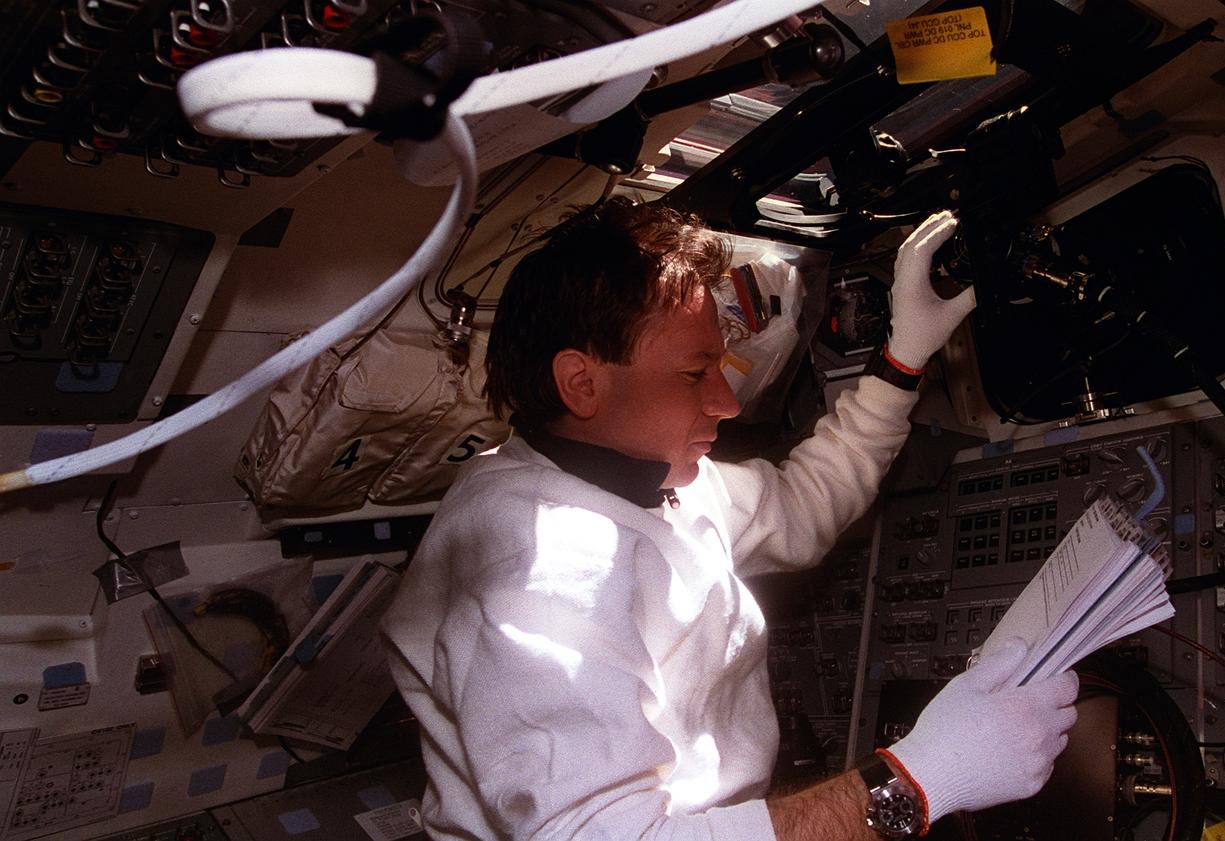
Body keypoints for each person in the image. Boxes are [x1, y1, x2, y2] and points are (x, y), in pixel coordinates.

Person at [381, 197, 1079, 841]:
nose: (726, 402)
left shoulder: (651, 477)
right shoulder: (535, 571)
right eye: (694, 374)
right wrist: (915, 780)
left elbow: (805, 502)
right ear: (582, 383)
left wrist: (902, 359)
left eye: (720, 365)